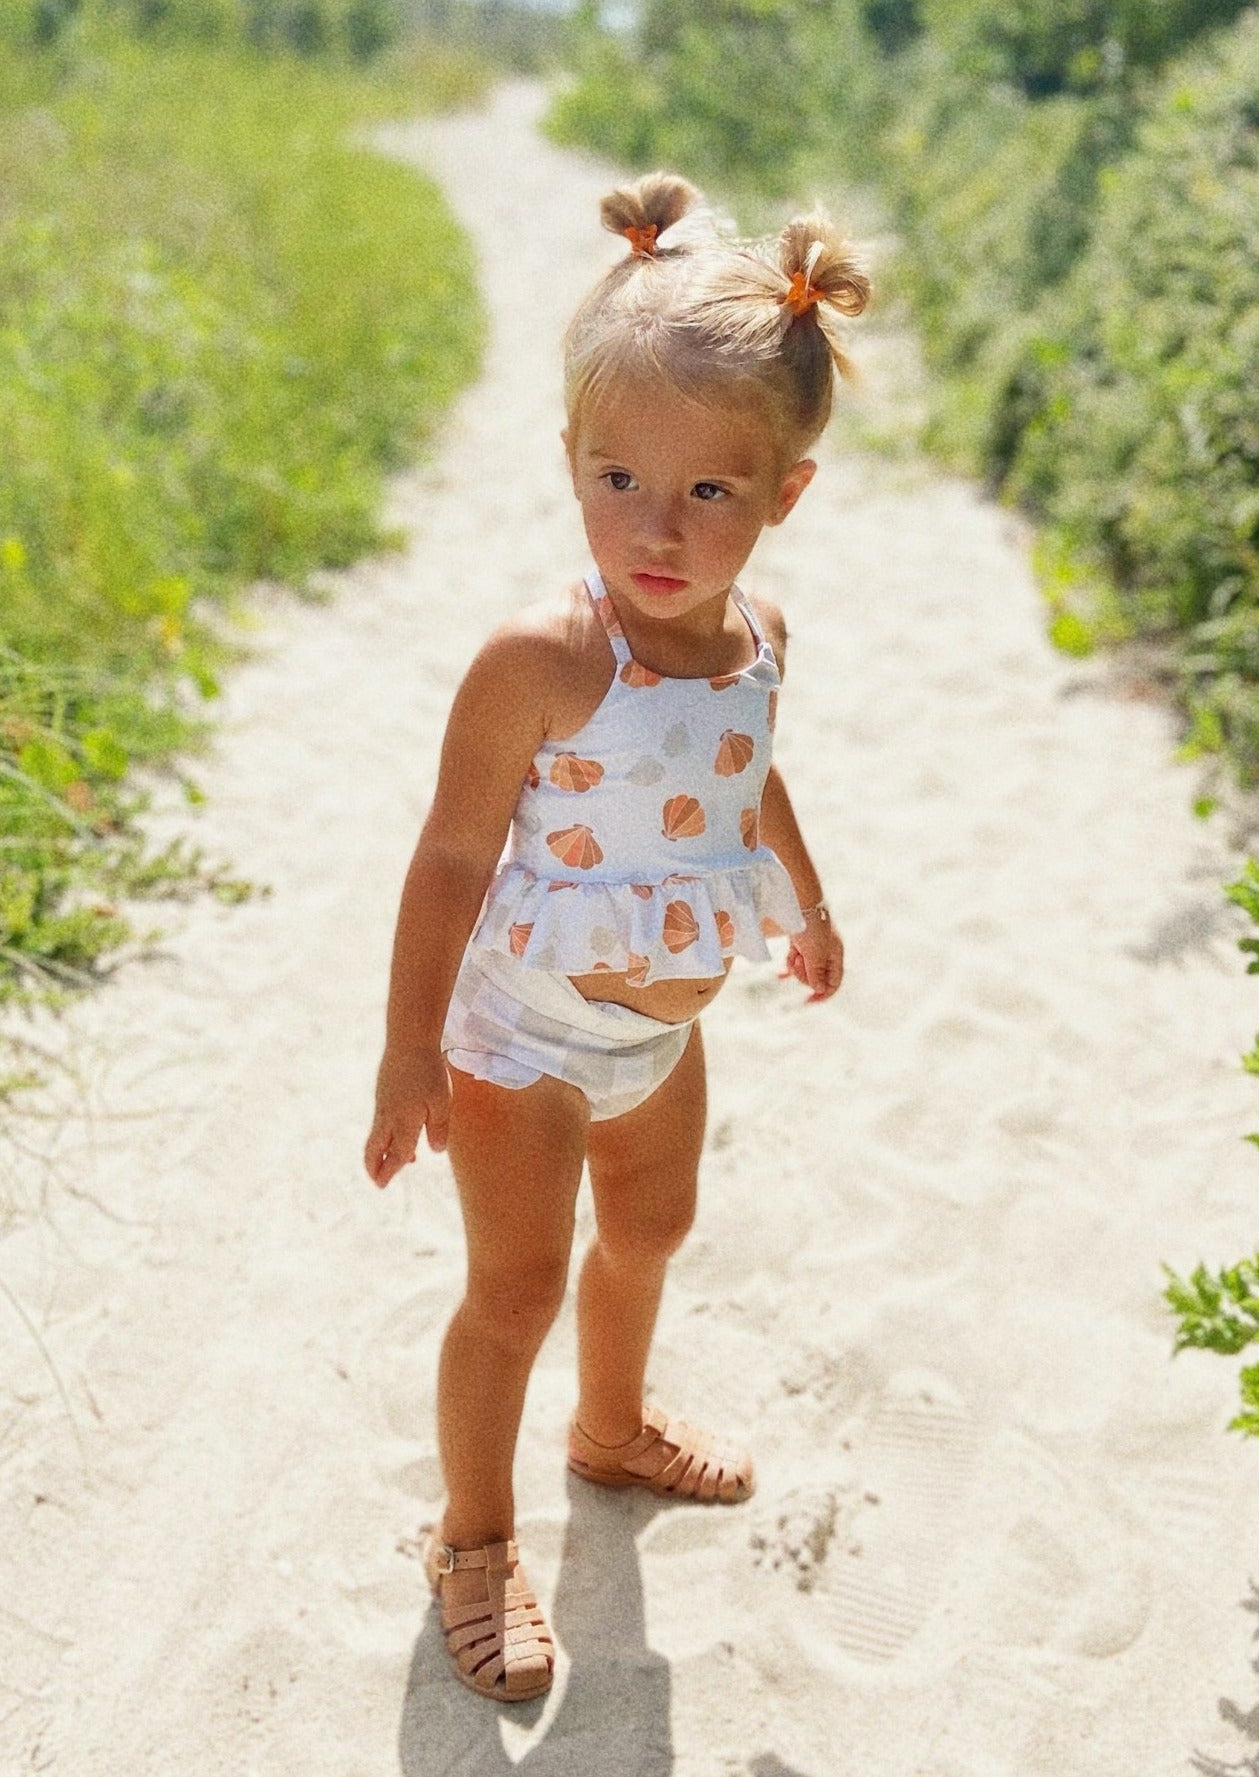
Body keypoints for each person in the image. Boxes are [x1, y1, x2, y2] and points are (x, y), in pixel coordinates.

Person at [363, 171, 870, 1703]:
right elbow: (452, 852)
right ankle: (471, 1534)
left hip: (663, 1033)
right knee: (513, 1286)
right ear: (571, 461)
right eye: (615, 480)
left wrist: (807, 893)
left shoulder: (758, 638)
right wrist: (406, 1050)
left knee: (648, 1235)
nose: (655, 529)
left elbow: (746, 765)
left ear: (782, 491)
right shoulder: (543, 654)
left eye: (707, 493)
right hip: (519, 1031)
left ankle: (612, 1428)